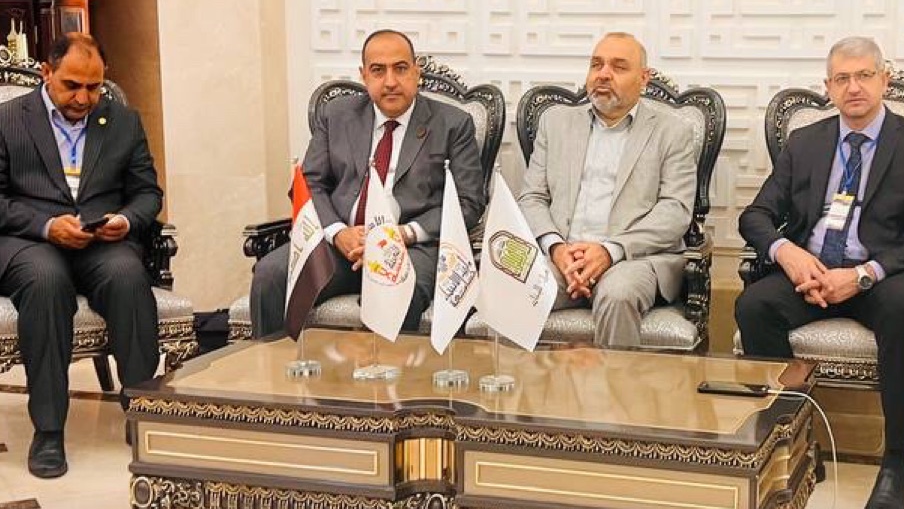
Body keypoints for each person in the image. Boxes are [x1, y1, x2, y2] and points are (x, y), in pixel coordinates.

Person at [736, 36, 904, 509]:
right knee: (754, 306)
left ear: (884, 80)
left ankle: (896, 463)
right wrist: (788, 253)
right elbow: (756, 215)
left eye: (864, 76)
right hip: (813, 271)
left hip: (883, 273)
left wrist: (861, 275)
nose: (853, 87)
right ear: (828, 87)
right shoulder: (805, 142)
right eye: (842, 79)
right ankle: (792, 442)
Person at [0, 33, 163, 479]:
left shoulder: (123, 121)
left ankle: (142, 410)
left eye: (94, 87)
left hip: (97, 241)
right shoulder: (3, 121)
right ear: (46, 73)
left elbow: (148, 193)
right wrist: (45, 226)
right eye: (72, 85)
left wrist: (125, 220)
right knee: (46, 280)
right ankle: (49, 430)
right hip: (24, 242)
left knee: (128, 274)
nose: (83, 98)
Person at [248, 30, 485, 336]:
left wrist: (402, 234)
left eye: (401, 68)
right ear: (364, 75)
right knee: (270, 274)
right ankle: (272, 364)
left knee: (395, 289)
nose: (390, 81)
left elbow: (469, 202)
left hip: (411, 248)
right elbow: (309, 184)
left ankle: (383, 369)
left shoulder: (453, 123)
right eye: (378, 70)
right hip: (341, 246)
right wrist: (338, 233)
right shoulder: (337, 115)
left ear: (417, 72)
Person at [518, 32, 700, 349]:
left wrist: (609, 251)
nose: (603, 74)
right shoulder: (556, 123)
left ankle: (613, 383)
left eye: (618, 67)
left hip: (632, 259)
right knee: (513, 286)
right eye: (596, 64)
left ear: (644, 78)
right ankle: (523, 383)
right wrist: (556, 248)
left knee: (618, 294)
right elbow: (532, 197)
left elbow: (675, 212)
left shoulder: (672, 132)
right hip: (561, 257)